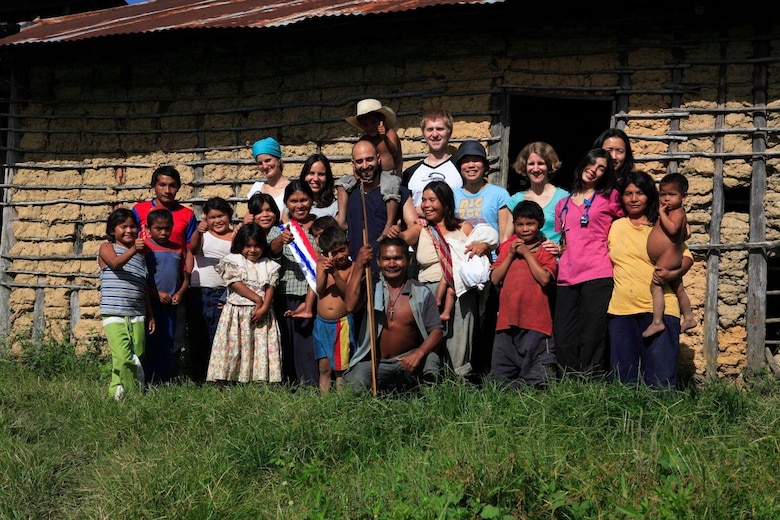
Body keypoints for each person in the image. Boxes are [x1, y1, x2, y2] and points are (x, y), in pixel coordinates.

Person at [391, 181, 496, 378]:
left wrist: (483, 246)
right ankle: (432, 385)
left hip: (460, 292)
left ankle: (459, 387)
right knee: (431, 343)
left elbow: (481, 255)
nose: (426, 205)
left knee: (458, 342)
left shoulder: (463, 227)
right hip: (427, 294)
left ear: (446, 203)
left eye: (432, 200)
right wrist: (396, 234)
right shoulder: (421, 229)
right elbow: (403, 239)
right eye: (423, 200)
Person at [608, 171, 693, 391]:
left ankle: (664, 425)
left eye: (640, 193)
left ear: (649, 197)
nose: (633, 199)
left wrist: (673, 275)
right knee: (624, 383)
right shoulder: (615, 227)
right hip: (621, 310)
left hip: (660, 309)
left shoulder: (661, 224)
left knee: (660, 383)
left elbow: (686, 257)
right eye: (628, 194)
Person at [553, 148, 623, 380]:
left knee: (592, 333)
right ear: (583, 163)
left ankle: (591, 383)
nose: (594, 171)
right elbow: (564, 239)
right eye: (592, 164)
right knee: (564, 335)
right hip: (566, 275)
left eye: (601, 168)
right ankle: (569, 383)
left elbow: (632, 218)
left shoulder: (610, 197)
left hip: (597, 273)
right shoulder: (562, 203)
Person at [342, 238, 443, 393]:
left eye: (397, 258)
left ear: (409, 260)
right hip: (375, 362)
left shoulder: (421, 291)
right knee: (354, 386)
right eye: (386, 259)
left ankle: (427, 406)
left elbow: (436, 331)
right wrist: (359, 266)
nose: (392, 264)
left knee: (431, 360)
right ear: (378, 261)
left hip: (407, 359)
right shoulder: (370, 286)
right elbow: (350, 305)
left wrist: (419, 353)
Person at [132, 165, 197, 375]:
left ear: (178, 188)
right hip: (147, 286)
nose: (167, 190)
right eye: (162, 185)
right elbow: (127, 237)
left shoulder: (186, 215)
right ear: (154, 187)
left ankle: (169, 378)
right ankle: (144, 377)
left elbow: (190, 248)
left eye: (172, 185)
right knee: (146, 334)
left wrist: (183, 286)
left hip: (174, 285)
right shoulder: (139, 210)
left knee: (173, 335)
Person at [488, 201, 557, 387]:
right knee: (500, 380)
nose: (525, 229)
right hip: (507, 320)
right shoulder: (508, 248)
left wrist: (526, 253)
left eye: (530, 224)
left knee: (539, 379)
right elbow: (495, 278)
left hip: (536, 321)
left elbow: (544, 279)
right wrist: (510, 255)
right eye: (520, 224)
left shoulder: (545, 250)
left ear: (540, 224)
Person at [206, 223, 282, 384]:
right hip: (236, 314)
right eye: (248, 246)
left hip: (261, 314)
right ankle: (229, 379)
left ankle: (257, 379)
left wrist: (264, 306)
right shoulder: (233, 260)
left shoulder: (269, 264)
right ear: (240, 245)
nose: (252, 250)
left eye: (257, 246)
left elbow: (270, 287)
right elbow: (235, 283)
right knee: (235, 347)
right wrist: (257, 299)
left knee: (258, 347)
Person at [267, 180, 320, 386]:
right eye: (294, 201)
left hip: (310, 294)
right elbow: (272, 251)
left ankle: (310, 384)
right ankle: (288, 384)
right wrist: (281, 239)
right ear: (287, 204)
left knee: (306, 344)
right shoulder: (279, 230)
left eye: (304, 200)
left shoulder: (319, 227)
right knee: (285, 342)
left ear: (311, 200)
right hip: (283, 294)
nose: (300, 205)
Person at [98, 208, 155, 399]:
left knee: (137, 353)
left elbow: (144, 287)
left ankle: (118, 392)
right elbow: (115, 264)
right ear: (112, 230)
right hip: (114, 311)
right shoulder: (107, 248)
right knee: (123, 356)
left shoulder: (140, 257)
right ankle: (135, 394)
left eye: (132, 227)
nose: (129, 231)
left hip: (137, 313)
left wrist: (150, 314)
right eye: (123, 227)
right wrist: (133, 249)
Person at [186, 196, 233, 384]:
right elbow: (194, 249)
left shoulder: (236, 235)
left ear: (229, 215)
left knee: (219, 337)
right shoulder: (202, 235)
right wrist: (198, 231)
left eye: (221, 216)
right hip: (199, 292)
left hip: (223, 294)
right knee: (198, 336)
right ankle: (198, 377)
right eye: (212, 217)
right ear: (206, 218)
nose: (217, 221)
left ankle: (217, 377)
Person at [643, 173, 696, 337]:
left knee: (655, 285)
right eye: (663, 194)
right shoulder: (674, 211)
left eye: (671, 195)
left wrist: (661, 214)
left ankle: (657, 322)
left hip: (669, 256)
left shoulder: (677, 212)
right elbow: (685, 232)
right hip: (668, 255)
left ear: (684, 197)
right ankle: (688, 317)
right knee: (678, 288)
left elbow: (673, 229)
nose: (666, 199)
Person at [336, 99, 402, 232]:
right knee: (342, 184)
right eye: (366, 124)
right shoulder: (364, 140)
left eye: (373, 122)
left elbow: (394, 152)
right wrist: (356, 176)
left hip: (390, 173)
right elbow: (356, 163)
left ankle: (388, 223)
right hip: (370, 175)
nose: (370, 127)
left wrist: (384, 138)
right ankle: (341, 219)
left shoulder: (390, 134)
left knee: (390, 189)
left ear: (381, 120)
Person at [142, 208, 190, 384]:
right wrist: (157, 294)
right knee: (150, 343)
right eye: (158, 228)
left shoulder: (178, 249)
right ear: (148, 229)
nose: (163, 232)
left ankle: (164, 381)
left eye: (167, 228)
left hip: (170, 306)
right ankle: (148, 380)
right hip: (151, 305)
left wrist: (180, 293)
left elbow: (185, 275)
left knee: (168, 343)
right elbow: (142, 280)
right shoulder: (146, 249)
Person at [345, 140, 404, 278]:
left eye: (369, 159)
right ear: (353, 164)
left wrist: (400, 233)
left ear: (378, 159)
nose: (365, 166)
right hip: (359, 273)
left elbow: (415, 226)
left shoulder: (398, 192)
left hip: (390, 274)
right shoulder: (349, 194)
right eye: (359, 161)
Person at [500, 141, 569, 251]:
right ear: (524, 167)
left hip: (553, 262)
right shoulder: (515, 200)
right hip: (523, 262)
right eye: (531, 164)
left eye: (541, 163)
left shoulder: (563, 198)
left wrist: (560, 249)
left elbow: (572, 237)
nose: (536, 169)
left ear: (549, 165)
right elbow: (505, 240)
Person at [314, 227, 357, 393]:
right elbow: (320, 289)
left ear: (348, 245)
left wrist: (336, 274)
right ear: (326, 253)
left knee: (340, 368)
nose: (340, 256)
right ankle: (324, 403)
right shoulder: (321, 266)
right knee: (324, 367)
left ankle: (341, 402)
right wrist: (326, 272)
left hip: (341, 323)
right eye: (334, 252)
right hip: (321, 323)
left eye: (342, 250)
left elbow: (348, 294)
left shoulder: (352, 268)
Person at [401, 108, 463, 221]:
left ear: (449, 132)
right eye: (430, 129)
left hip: (453, 234)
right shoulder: (410, 173)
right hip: (420, 235)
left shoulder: (461, 169)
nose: (435, 134)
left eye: (440, 129)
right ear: (424, 133)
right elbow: (402, 208)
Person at [246, 137, 290, 219]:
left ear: (278, 160)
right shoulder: (257, 188)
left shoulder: (290, 189)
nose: (264, 166)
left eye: (268, 160)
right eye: (260, 163)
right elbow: (248, 218)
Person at [300, 154, 338, 219]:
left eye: (321, 174)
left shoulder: (335, 207)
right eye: (311, 173)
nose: (316, 179)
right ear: (304, 176)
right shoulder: (293, 204)